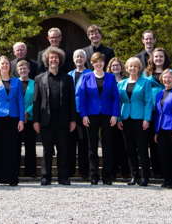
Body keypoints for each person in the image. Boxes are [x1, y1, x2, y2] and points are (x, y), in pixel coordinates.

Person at [33, 47, 76, 185]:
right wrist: (36, 121)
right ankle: (46, 177)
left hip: (63, 120)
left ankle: (63, 177)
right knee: (47, 150)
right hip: (46, 121)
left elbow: (72, 101)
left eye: (56, 58)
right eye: (51, 57)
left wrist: (73, 119)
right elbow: (36, 101)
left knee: (63, 150)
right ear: (47, 60)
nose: (53, 60)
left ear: (60, 60)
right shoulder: (39, 79)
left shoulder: (68, 79)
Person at [78, 52, 120, 185]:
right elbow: (82, 97)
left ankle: (107, 176)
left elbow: (115, 98)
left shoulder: (111, 77)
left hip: (107, 115)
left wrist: (115, 115)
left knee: (108, 146)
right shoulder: (86, 77)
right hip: (91, 115)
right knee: (92, 146)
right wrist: (83, 115)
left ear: (104, 63)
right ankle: (94, 175)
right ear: (92, 63)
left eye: (101, 61)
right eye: (96, 61)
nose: (99, 63)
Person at [0, 56, 25, 186]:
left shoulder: (16, 82)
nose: (4, 65)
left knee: (12, 149)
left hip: (13, 119)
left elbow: (20, 101)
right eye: (2, 63)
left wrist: (21, 119)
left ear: (10, 65)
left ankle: (11, 177)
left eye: (7, 63)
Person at [117, 57, 154, 186]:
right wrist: (119, 118)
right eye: (130, 66)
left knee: (142, 149)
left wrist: (147, 119)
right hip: (125, 119)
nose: (132, 68)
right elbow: (119, 102)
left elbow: (149, 101)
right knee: (130, 149)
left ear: (139, 68)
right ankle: (135, 176)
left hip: (140, 119)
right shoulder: (121, 84)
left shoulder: (145, 82)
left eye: (135, 66)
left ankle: (145, 177)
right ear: (127, 69)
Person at [144, 47, 172, 178]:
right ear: (152, 59)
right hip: (152, 111)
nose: (158, 59)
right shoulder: (146, 74)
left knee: (165, 142)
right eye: (156, 57)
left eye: (161, 57)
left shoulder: (171, 73)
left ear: (165, 58)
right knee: (153, 141)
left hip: (167, 113)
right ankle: (156, 169)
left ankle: (167, 170)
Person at [67, 49, 91, 179]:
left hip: (85, 112)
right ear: (73, 59)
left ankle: (84, 171)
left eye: (81, 57)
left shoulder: (90, 74)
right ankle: (70, 171)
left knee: (84, 142)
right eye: (77, 57)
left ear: (85, 59)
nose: (79, 59)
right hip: (71, 112)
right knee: (70, 142)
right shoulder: (69, 74)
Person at [106, 57, 130, 180]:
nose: (115, 67)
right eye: (113, 66)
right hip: (110, 116)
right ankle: (113, 171)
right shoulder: (107, 80)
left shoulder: (126, 81)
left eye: (117, 65)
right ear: (110, 67)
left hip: (123, 116)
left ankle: (126, 170)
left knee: (124, 145)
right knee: (112, 144)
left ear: (122, 67)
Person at [16, 60, 37, 178]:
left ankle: (31, 171)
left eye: (25, 68)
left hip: (30, 118)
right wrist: (20, 114)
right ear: (17, 70)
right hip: (17, 119)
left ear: (29, 70)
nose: (23, 70)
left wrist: (27, 112)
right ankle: (16, 170)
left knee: (30, 145)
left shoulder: (35, 83)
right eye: (20, 68)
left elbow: (36, 100)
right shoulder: (14, 83)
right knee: (16, 145)